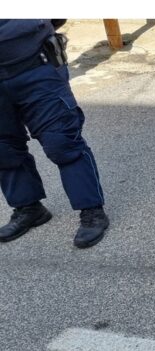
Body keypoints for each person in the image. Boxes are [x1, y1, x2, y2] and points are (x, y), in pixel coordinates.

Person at [0, 19, 110, 248]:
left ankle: (92, 212)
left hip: (36, 68)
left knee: (62, 141)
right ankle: (28, 208)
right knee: (4, 147)